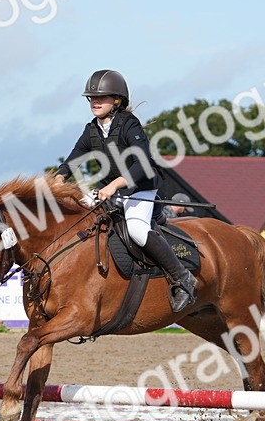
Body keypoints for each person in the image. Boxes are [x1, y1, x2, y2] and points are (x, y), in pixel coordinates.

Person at [53, 69, 196, 312]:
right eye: (92, 98)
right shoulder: (92, 130)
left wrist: (113, 185)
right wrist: (57, 180)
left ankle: (183, 278)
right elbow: (73, 160)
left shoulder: (129, 124)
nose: (95, 102)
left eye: (101, 98)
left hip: (140, 188)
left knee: (138, 230)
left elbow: (142, 163)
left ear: (117, 100)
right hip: (111, 191)